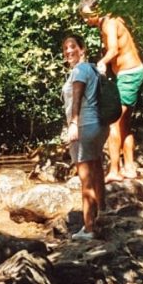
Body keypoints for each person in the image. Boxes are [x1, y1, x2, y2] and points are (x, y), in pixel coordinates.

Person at [78, 0, 143, 181]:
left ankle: (114, 171)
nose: (85, 20)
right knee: (124, 123)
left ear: (97, 10)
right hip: (129, 73)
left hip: (129, 74)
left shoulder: (109, 23)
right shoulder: (109, 20)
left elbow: (114, 50)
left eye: (87, 15)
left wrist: (101, 63)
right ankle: (129, 168)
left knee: (112, 121)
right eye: (83, 16)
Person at [61, 33, 106, 240]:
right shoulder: (94, 69)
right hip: (98, 125)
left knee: (85, 177)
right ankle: (102, 214)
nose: (68, 51)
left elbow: (77, 99)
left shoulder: (79, 70)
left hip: (84, 126)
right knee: (97, 169)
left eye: (72, 47)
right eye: (65, 49)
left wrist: (73, 124)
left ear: (82, 49)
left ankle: (88, 228)